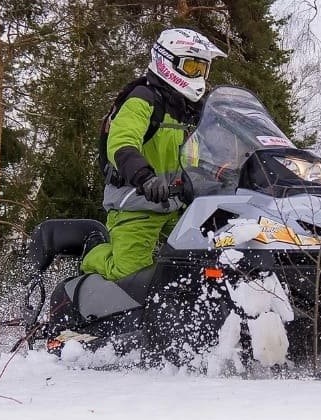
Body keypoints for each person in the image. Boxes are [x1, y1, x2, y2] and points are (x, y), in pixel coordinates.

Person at [81, 28, 226, 281]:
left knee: (209, 259)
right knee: (129, 274)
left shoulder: (192, 111)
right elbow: (122, 143)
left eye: (202, 69)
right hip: (136, 200)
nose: (198, 75)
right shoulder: (142, 99)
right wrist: (145, 178)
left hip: (178, 204)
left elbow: (212, 148)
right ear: (167, 61)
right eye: (191, 67)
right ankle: (92, 253)